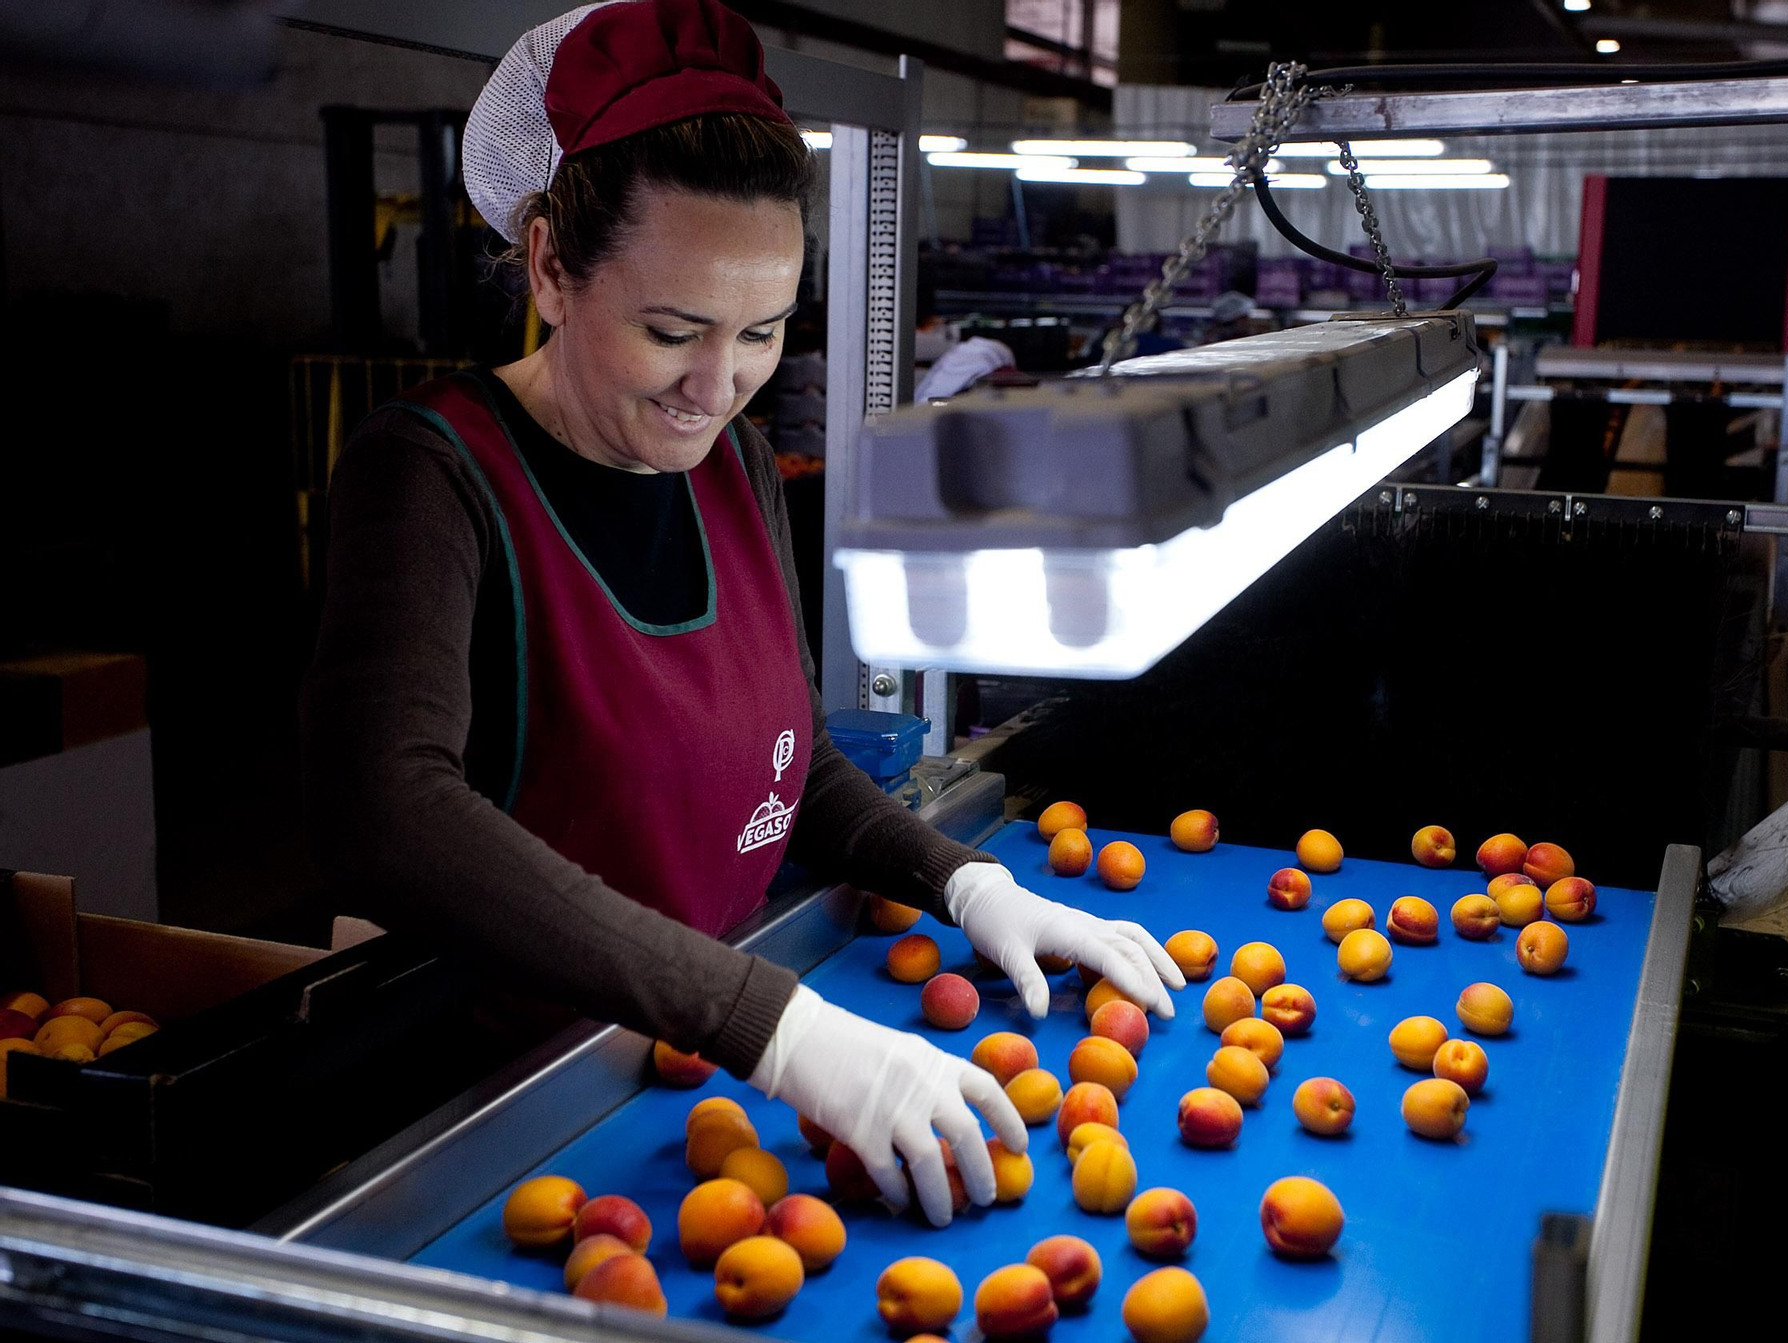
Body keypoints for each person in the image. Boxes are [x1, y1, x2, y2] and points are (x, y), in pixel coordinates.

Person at [300, 0, 1181, 1227]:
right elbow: (385, 811)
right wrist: (772, 1025)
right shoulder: (433, 472)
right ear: (551, 266)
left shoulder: (737, 466)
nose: (715, 387)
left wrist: (967, 884)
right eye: (672, 331)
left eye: (761, 333)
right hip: (496, 1134)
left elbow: (790, 759)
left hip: (691, 1085)